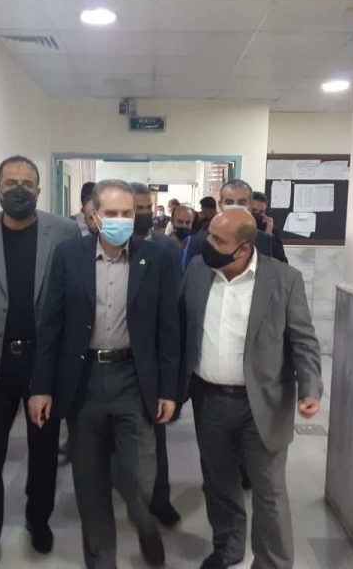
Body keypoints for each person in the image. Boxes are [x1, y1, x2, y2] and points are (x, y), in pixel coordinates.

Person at [29, 180, 180, 569]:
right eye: (111, 213)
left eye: (127, 213)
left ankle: (144, 521)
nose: (120, 220)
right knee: (90, 481)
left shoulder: (156, 258)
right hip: (84, 382)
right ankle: (101, 560)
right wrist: (41, 387)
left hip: (134, 380)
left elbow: (168, 328)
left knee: (138, 476)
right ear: (93, 216)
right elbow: (51, 325)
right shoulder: (69, 256)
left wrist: (169, 390)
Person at [0, 155, 80, 569]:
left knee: (43, 452)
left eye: (27, 183)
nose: (18, 190)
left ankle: (37, 519)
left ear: (39, 190)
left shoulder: (63, 231)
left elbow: (73, 299)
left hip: (44, 365)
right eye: (11, 183)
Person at [179, 210, 322, 569]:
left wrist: (310, 388)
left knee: (269, 490)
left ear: (243, 248)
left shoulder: (284, 279)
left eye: (217, 240)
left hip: (264, 402)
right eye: (209, 235)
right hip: (209, 399)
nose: (207, 243)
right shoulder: (197, 270)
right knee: (219, 483)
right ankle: (228, 547)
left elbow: (303, 340)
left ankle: (272, 562)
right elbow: (180, 326)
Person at [131, 182, 182, 527]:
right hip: (115, 357)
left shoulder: (165, 247)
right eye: (137, 208)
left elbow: (172, 310)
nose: (143, 214)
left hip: (150, 359)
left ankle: (159, 498)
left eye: (147, 207)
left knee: (154, 436)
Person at [185, 180, 288, 265]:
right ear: (220, 204)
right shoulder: (199, 241)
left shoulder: (264, 240)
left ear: (250, 205)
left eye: (241, 202)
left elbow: (275, 270)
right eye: (229, 202)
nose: (235, 206)